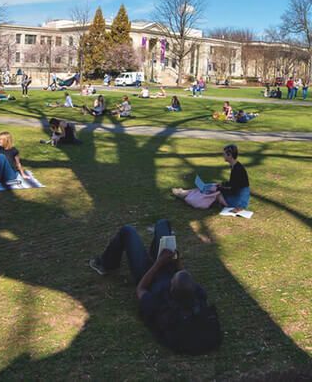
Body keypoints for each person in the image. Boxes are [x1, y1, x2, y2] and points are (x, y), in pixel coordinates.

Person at [89, 220, 221, 353]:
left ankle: (105, 264)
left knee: (128, 231)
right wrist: (177, 261)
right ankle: (155, 251)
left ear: (171, 288)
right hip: (166, 266)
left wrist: (158, 263)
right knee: (163, 224)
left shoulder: (162, 306)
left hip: (147, 275)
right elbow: (183, 276)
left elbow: (140, 289)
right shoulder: (197, 296)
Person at [171, 144, 251, 211]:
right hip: (238, 195)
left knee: (214, 192)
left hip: (239, 200)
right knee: (211, 186)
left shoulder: (237, 169)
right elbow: (233, 183)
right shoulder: (235, 166)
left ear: (229, 155)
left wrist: (219, 188)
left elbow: (234, 189)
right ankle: (185, 192)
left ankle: (186, 195)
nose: (223, 155)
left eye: (224, 154)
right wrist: (220, 184)